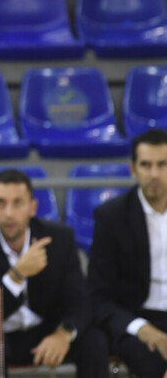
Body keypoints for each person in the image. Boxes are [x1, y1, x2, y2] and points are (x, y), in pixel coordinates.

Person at [0, 169, 108, 377]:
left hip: (47, 328)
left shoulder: (58, 238)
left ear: (32, 208)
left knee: (94, 340)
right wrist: (17, 275)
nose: (9, 213)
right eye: (1, 203)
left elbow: (80, 301)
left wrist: (63, 334)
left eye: (18, 203)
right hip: (1, 333)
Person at [88, 128, 167, 378]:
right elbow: (98, 296)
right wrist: (140, 327)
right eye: (146, 165)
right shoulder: (111, 217)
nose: (154, 174)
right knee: (152, 361)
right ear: (133, 169)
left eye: (162, 164)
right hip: (136, 318)